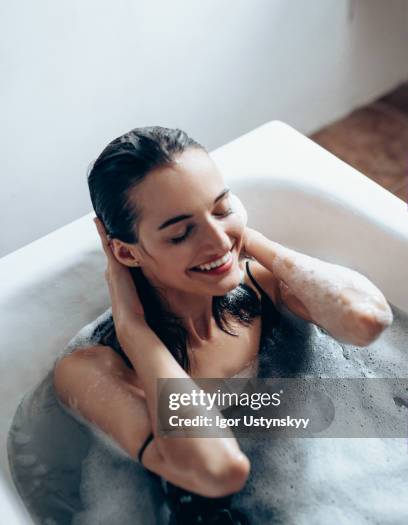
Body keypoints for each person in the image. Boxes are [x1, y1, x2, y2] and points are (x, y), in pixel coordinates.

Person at [53, 126, 393, 498]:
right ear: (125, 253)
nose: (215, 240)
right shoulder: (92, 370)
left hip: (320, 479)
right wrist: (132, 330)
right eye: (181, 233)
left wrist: (243, 239)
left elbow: (367, 320)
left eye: (222, 208)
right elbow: (217, 470)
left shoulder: (260, 286)